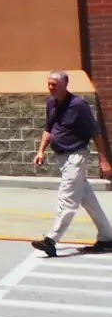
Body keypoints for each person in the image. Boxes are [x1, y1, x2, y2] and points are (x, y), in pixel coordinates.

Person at [30, 70, 112, 257]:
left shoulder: (79, 105)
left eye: (54, 84)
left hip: (76, 156)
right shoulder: (51, 103)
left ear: (65, 85)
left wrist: (104, 160)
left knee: (67, 197)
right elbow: (48, 129)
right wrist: (41, 151)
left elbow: (95, 133)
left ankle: (52, 240)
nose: (50, 87)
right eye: (49, 83)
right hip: (62, 158)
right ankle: (108, 238)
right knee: (88, 200)